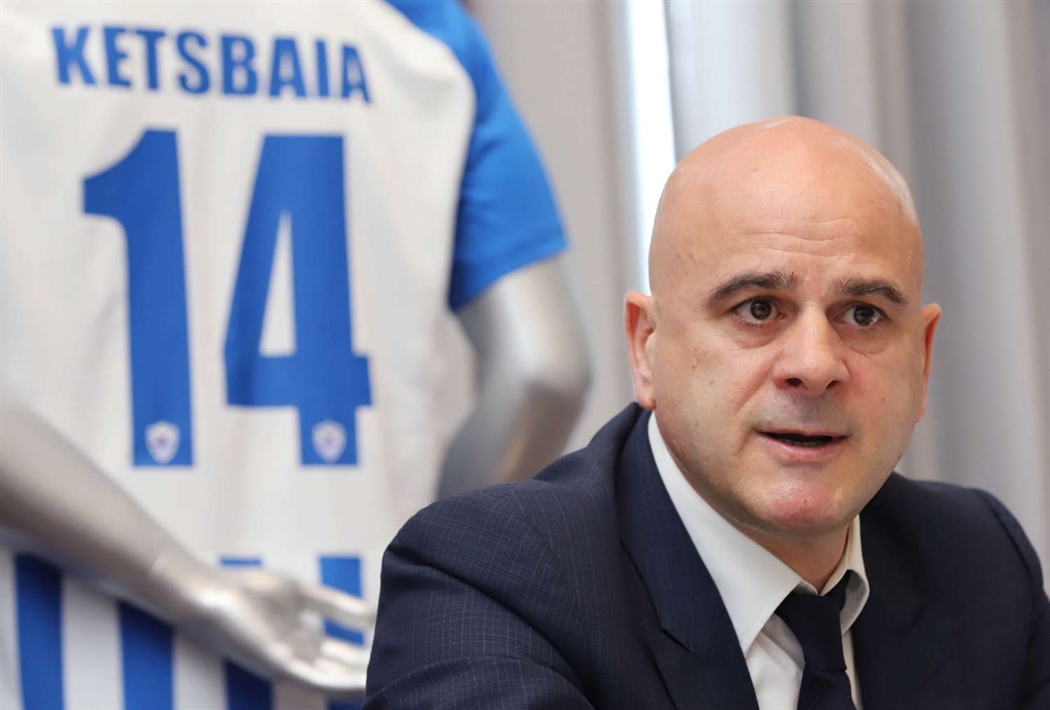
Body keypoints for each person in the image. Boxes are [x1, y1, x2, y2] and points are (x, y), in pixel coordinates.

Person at [0, 1, 589, 708]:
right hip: (357, 657)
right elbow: (545, 374)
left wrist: (183, 579)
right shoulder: (418, 34)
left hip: (57, 663)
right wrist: (433, 590)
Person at [364, 117, 1050, 709]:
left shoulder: (980, 563)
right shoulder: (487, 580)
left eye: (864, 314)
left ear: (922, 359)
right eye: (758, 308)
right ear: (647, 348)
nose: (815, 364)